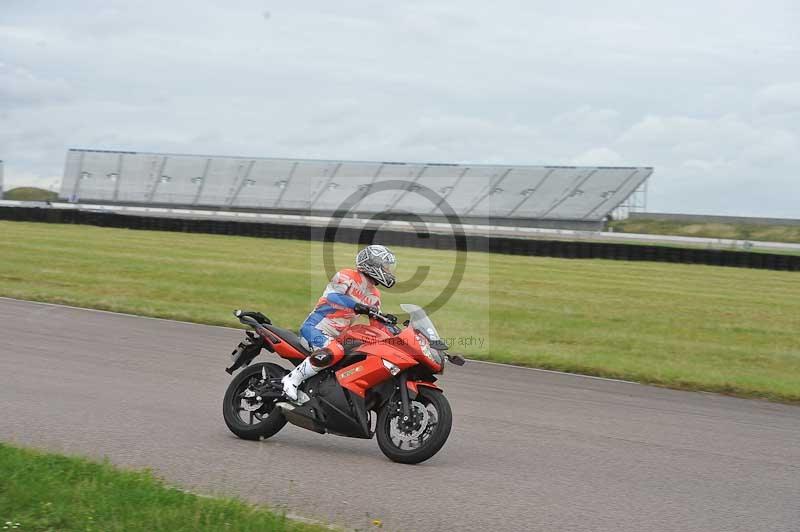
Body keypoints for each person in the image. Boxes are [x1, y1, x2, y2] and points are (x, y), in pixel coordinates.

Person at [281, 244, 398, 401]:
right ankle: (292, 379)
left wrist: (392, 328)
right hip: (314, 328)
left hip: (338, 337)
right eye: (385, 266)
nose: (388, 271)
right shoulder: (347, 275)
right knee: (334, 351)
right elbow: (332, 297)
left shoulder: (375, 295)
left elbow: (376, 324)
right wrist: (357, 306)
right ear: (373, 264)